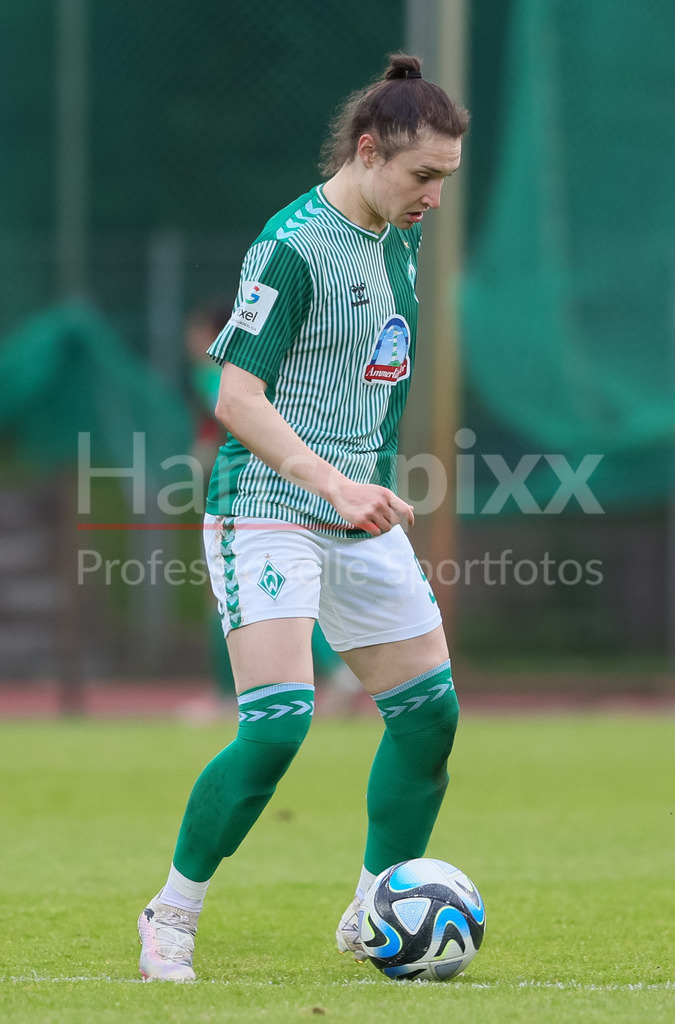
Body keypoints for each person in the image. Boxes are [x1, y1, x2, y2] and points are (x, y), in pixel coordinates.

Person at [137, 52, 469, 981]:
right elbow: (235, 395)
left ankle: (375, 907)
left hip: (355, 512)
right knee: (278, 725)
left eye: (445, 179)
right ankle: (170, 913)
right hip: (269, 506)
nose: (433, 198)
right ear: (368, 151)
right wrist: (333, 483)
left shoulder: (395, 234)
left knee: (428, 721)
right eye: (422, 177)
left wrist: (359, 487)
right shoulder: (292, 245)